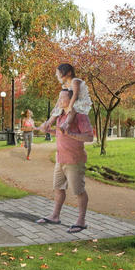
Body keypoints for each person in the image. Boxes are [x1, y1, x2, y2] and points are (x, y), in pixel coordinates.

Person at [36, 89, 94, 233]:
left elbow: (89, 137)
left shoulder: (80, 116)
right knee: (58, 188)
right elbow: (60, 134)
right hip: (60, 159)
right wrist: (48, 131)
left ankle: (81, 221)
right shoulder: (60, 115)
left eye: (63, 98)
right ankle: (55, 216)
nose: (60, 101)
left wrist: (71, 133)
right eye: (59, 97)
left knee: (78, 191)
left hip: (74, 160)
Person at [46, 63, 92, 132]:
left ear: (69, 73)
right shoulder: (66, 84)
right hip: (72, 100)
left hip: (81, 101)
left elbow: (75, 94)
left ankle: (65, 124)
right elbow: (61, 97)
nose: (58, 76)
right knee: (58, 109)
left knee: (72, 110)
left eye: (60, 73)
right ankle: (48, 124)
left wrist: (70, 106)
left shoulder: (75, 81)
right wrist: (55, 107)